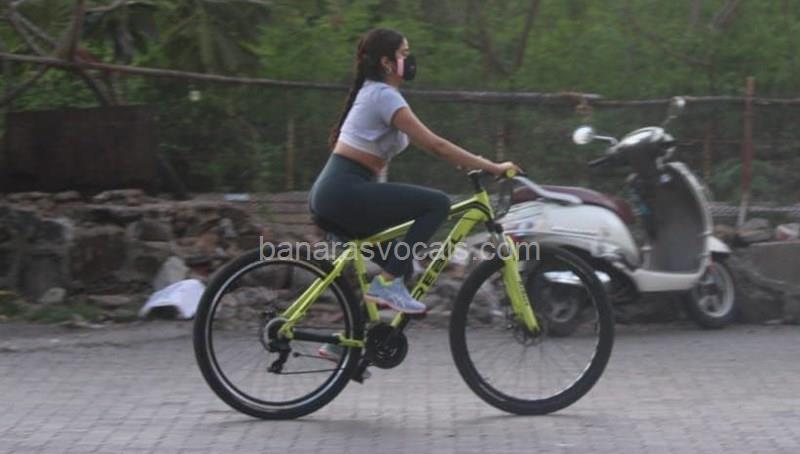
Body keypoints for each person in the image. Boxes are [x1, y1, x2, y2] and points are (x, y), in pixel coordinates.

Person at [308, 28, 520, 316]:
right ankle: (386, 285)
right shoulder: (383, 95)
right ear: (386, 62)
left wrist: (467, 161)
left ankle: (359, 339)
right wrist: (493, 167)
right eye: (404, 54)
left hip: (337, 193)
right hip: (344, 192)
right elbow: (436, 145)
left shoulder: (377, 93)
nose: (410, 60)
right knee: (437, 203)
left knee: (401, 264)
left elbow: (429, 145)